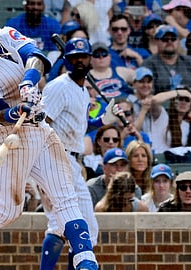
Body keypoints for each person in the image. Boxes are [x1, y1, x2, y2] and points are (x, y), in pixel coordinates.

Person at [0, 3, 98, 270]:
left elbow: (36, 57)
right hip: (8, 136)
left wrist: (28, 80)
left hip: (39, 128)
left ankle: (85, 260)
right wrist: (17, 110)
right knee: (8, 210)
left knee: (65, 197)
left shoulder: (7, 34)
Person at [39, 37, 121, 269]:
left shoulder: (82, 90)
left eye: (83, 56)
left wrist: (104, 119)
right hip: (55, 159)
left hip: (72, 160)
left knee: (85, 227)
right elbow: (39, 125)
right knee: (60, 224)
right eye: (74, 57)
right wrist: (43, 170)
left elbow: (78, 126)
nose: (79, 61)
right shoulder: (58, 87)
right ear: (67, 60)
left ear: (90, 59)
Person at [142, 25, 191, 96]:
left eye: (173, 39)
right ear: (157, 41)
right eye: (165, 39)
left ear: (178, 40)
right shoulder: (149, 64)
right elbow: (147, 92)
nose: (169, 42)